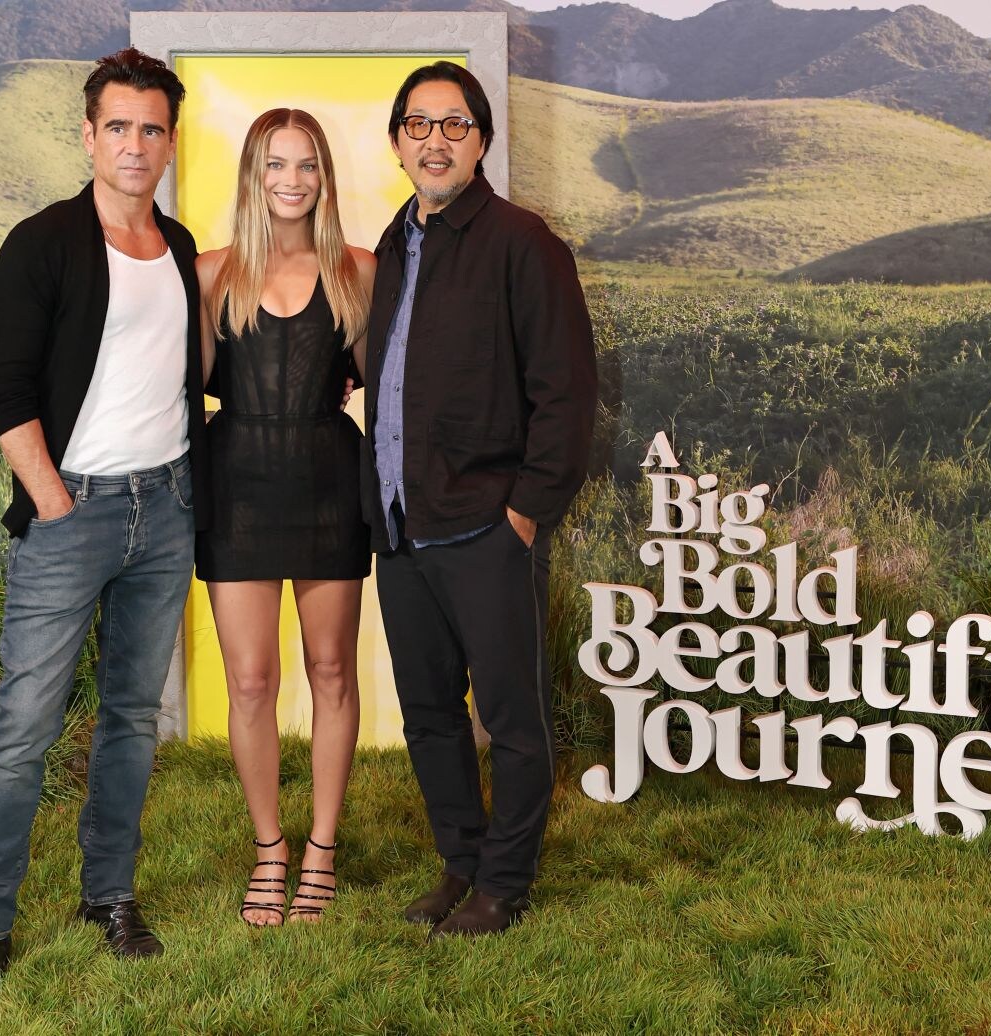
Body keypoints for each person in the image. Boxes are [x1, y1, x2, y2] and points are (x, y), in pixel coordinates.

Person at [0, 48, 209, 990]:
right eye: (119, 127)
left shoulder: (178, 245)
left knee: (133, 718)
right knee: (25, 723)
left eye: (152, 129)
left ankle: (110, 896)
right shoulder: (43, 241)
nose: (136, 145)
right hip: (73, 513)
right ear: (90, 135)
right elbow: (5, 386)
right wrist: (53, 501)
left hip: (165, 508)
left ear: (170, 142)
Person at [363, 62, 597, 939]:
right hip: (401, 523)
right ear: (397, 143)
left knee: (510, 718)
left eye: (454, 125)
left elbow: (566, 392)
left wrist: (526, 512)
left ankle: (504, 884)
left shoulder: (524, 244)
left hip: (487, 525)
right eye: (418, 125)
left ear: (482, 141)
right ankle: (460, 863)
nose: (436, 141)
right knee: (429, 716)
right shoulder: (393, 244)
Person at [194, 108, 375, 926]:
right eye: (276, 164)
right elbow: (184, 387)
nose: (292, 180)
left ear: (324, 177)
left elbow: (385, 382)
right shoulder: (212, 273)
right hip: (235, 488)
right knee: (250, 680)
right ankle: (270, 847)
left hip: (329, 485)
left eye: (307, 165)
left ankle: (322, 850)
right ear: (253, 175)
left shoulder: (358, 271)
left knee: (332, 671)